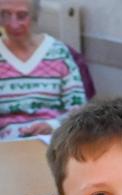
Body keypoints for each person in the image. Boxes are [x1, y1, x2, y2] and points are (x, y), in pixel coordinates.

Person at [0, 0, 86, 140]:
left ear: (35, 16)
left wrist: (52, 125)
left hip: (53, 140)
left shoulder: (58, 53)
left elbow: (79, 109)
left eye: (21, 15)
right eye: (4, 14)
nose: (13, 24)